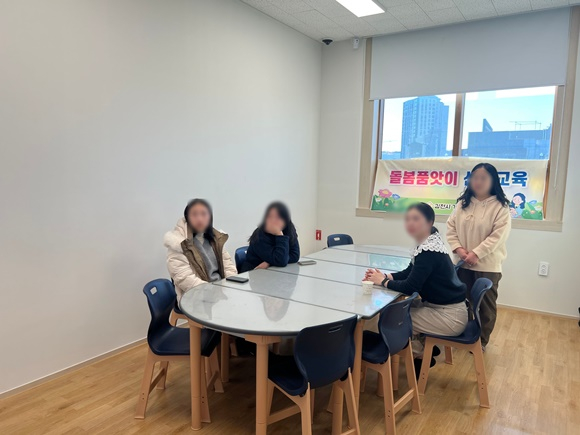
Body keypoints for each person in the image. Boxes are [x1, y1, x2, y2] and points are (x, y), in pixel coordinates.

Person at [364, 203, 468, 369]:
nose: (410, 223)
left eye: (416, 219)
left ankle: (418, 355)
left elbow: (410, 286)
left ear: (429, 222)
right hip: (443, 309)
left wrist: (383, 282)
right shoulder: (429, 242)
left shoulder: (429, 251)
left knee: (393, 320)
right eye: (408, 219)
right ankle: (423, 349)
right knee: (396, 310)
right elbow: (409, 271)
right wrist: (385, 276)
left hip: (449, 317)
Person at [447, 163, 511, 351]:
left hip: (487, 266)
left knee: (485, 307)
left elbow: (498, 236)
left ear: (493, 181)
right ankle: (463, 334)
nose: (478, 181)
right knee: (461, 303)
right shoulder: (462, 204)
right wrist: (459, 249)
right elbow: (451, 228)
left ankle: (481, 341)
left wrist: (477, 253)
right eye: (474, 177)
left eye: (483, 178)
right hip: (462, 263)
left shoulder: (501, 207)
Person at [164, 198, 237, 300]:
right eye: (194, 214)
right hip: (195, 298)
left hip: (220, 293)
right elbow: (184, 279)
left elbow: (228, 266)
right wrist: (214, 292)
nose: (199, 219)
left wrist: (230, 286)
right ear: (187, 217)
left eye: (203, 214)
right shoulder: (178, 243)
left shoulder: (215, 239)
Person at [241, 202, 300, 272]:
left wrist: (269, 263)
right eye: (270, 217)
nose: (273, 221)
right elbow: (281, 261)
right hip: (255, 272)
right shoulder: (259, 235)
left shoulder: (289, 230)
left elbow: (295, 256)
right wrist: (279, 235)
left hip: (276, 272)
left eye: (278, 217)